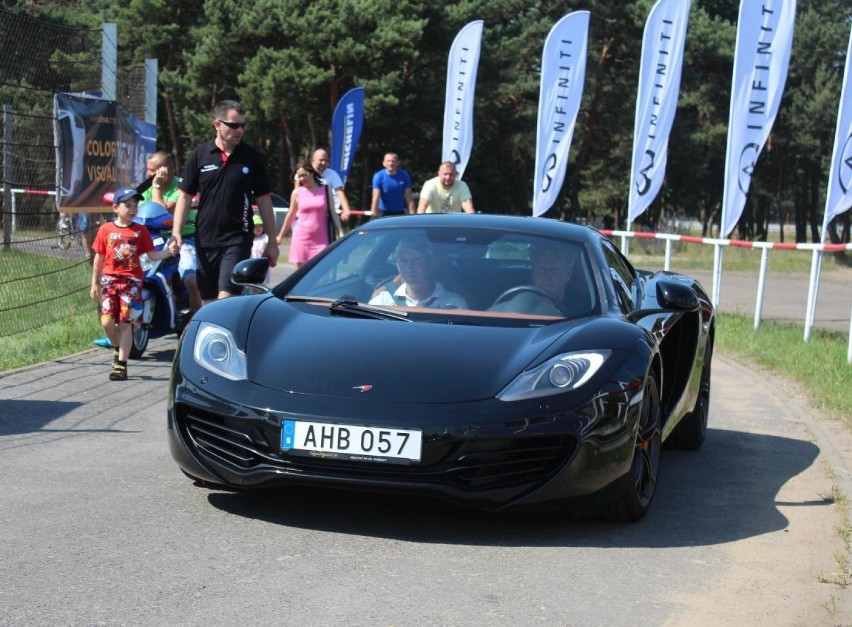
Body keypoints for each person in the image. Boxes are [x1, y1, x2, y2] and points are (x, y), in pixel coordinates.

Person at [171, 100, 279, 305]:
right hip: (205, 238)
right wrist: (176, 232)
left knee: (226, 299)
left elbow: (264, 200)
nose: (239, 130)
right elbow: (184, 197)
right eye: (234, 125)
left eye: (243, 125)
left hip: (237, 239)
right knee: (209, 301)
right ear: (217, 124)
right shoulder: (199, 155)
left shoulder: (251, 157)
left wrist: (272, 242)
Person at [89, 187, 177, 381]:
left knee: (125, 323)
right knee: (106, 321)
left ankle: (121, 364)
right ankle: (118, 347)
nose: (132, 209)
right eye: (127, 205)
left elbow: (153, 255)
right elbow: (99, 257)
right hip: (110, 281)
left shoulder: (140, 231)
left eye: (135, 206)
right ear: (115, 208)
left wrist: (170, 252)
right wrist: (94, 282)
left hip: (132, 283)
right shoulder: (105, 230)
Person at [141, 151, 203, 317]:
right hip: (153, 238)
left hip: (182, 238)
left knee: (189, 276)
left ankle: (195, 317)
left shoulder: (181, 187)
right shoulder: (146, 186)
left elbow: (163, 209)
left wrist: (156, 187)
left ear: (164, 170)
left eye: (151, 169)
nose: (148, 174)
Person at [369, 236, 468, 308]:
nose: (409, 267)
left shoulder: (454, 304)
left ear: (430, 264)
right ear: (398, 266)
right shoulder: (382, 302)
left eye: (416, 260)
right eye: (404, 261)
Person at [277, 161, 344, 267]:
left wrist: (340, 231)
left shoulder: (325, 190)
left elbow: (332, 212)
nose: (302, 179)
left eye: (304, 175)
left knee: (320, 272)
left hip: (322, 239)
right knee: (301, 277)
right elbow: (291, 215)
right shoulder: (297, 192)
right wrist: (280, 236)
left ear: (312, 173)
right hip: (301, 238)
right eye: (299, 176)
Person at [490, 243, 584, 316]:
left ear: (568, 274)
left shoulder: (580, 314)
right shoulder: (509, 305)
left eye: (553, 270)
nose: (547, 275)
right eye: (541, 269)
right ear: (533, 274)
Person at [311, 148, 351, 222]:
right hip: (309, 215)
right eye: (321, 160)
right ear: (313, 161)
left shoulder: (332, 174)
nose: (323, 163)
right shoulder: (305, 173)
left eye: (326, 160)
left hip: (328, 215)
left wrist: (346, 210)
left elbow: (340, 192)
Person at [370, 152, 415, 218]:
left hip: (399, 212)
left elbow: (409, 197)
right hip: (383, 211)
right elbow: (375, 198)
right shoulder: (379, 176)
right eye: (388, 161)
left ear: (398, 163)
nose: (391, 163)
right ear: (384, 163)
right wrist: (373, 216)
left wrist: (413, 215)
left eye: (393, 161)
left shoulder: (404, 175)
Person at [250, 213, 271, 286]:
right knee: (251, 284)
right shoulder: (249, 239)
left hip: (262, 265)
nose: (258, 228)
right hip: (251, 265)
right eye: (255, 226)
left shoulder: (265, 237)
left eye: (260, 226)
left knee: (262, 284)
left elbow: (270, 243)